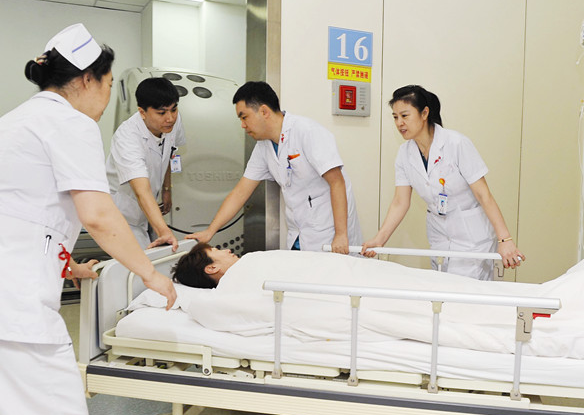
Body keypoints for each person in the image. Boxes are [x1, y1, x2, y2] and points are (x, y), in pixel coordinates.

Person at [0, 23, 177, 415]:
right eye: (108, 85)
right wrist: (151, 274)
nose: (107, 98)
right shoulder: (70, 123)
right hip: (10, 314)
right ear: (87, 80)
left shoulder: (14, 121)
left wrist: (68, 265)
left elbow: (15, 214)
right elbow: (97, 215)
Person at [361, 85, 524, 280]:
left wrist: (505, 239)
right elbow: (400, 202)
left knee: (462, 291)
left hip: (470, 235)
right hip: (439, 233)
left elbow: (484, 195)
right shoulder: (404, 154)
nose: (399, 123)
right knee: (440, 287)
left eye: (405, 115)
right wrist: (380, 239)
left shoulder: (456, 144)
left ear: (424, 113)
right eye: (395, 117)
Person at [187, 81, 362, 253]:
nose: (242, 125)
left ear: (264, 111)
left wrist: (341, 234)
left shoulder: (307, 131)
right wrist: (210, 231)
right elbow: (240, 192)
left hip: (329, 232)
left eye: (244, 117)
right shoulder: (264, 146)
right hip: (299, 232)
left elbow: (337, 182)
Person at [106, 76, 185, 250]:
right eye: (162, 113)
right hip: (121, 215)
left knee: (159, 256)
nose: (170, 118)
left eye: (174, 109)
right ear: (142, 112)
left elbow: (169, 152)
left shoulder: (172, 122)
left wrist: (167, 189)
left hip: (146, 209)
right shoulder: (127, 138)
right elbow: (141, 191)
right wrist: (164, 231)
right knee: (142, 262)